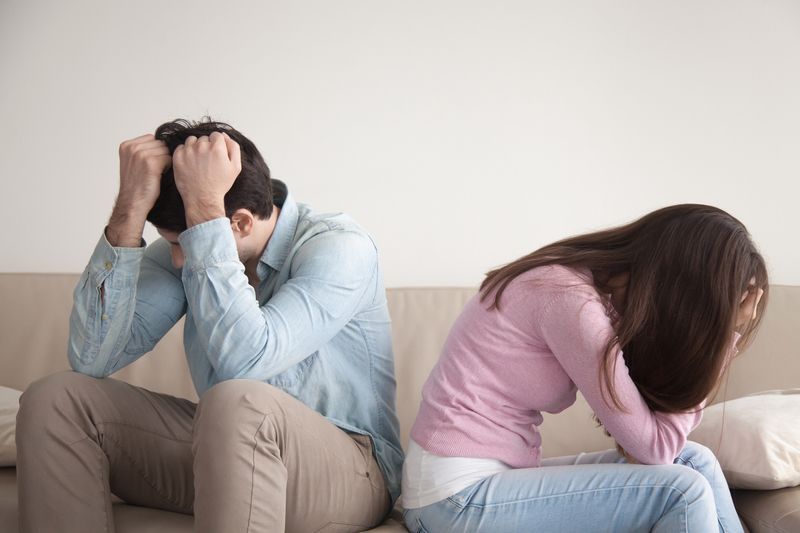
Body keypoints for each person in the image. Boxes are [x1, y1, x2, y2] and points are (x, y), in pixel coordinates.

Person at [15, 119, 403, 532]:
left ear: (239, 223)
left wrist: (203, 213)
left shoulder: (341, 247)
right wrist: (129, 207)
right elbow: (91, 358)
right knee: (57, 399)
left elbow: (246, 363)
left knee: (238, 402)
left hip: (353, 471)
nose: (178, 258)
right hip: (230, 451)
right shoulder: (184, 250)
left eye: (183, 243)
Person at [402, 204, 767, 533]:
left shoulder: (591, 295)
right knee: (681, 492)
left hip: (488, 479)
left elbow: (660, 447)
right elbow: (653, 449)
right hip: (452, 499)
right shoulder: (570, 301)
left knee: (693, 460)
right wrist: (722, 339)